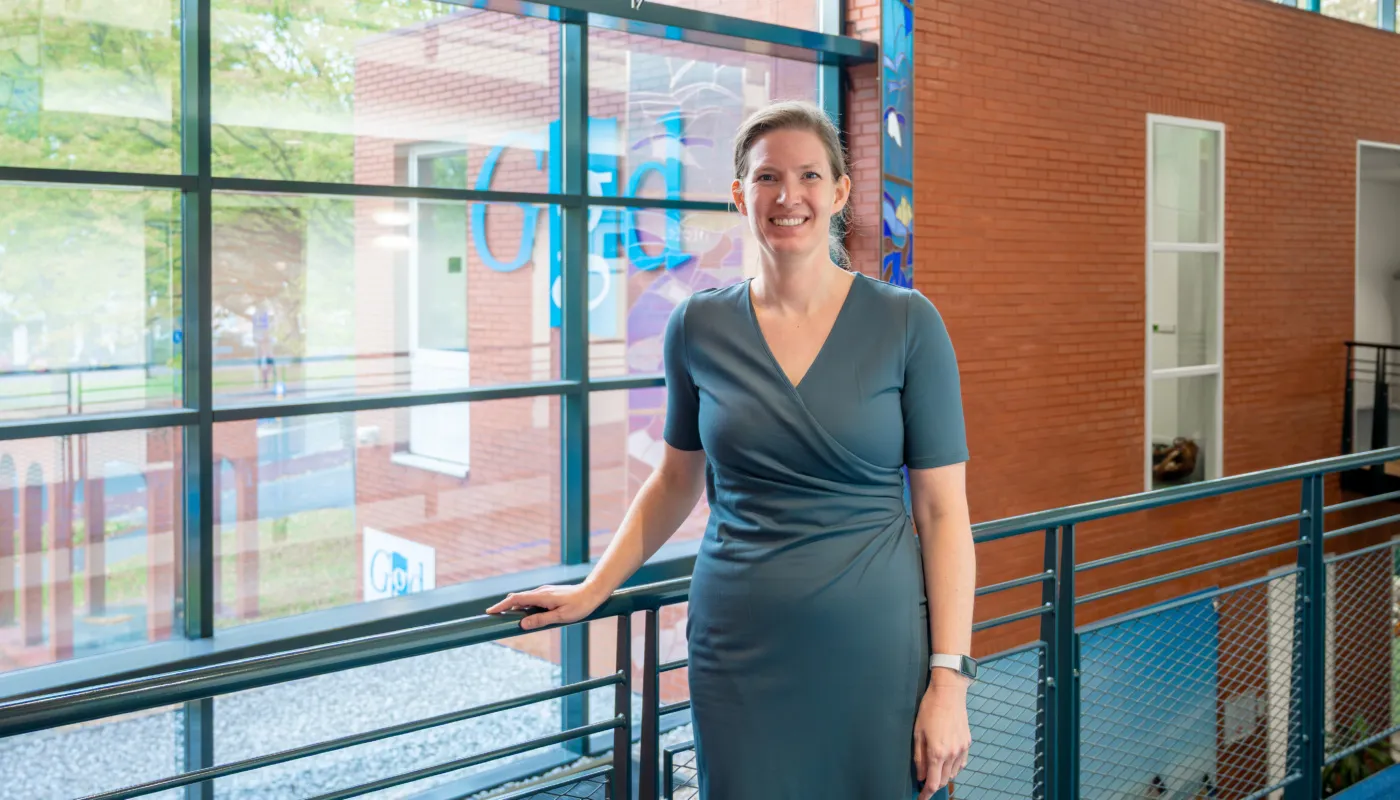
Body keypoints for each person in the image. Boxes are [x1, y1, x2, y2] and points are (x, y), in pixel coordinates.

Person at [487, 100, 976, 800]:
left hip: (876, 653)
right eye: (767, 177)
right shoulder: (697, 325)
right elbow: (674, 481)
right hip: (738, 650)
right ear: (740, 194)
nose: (788, 196)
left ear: (838, 193)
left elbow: (943, 513)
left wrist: (949, 678)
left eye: (809, 176)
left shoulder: (908, 323)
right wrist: (596, 588)